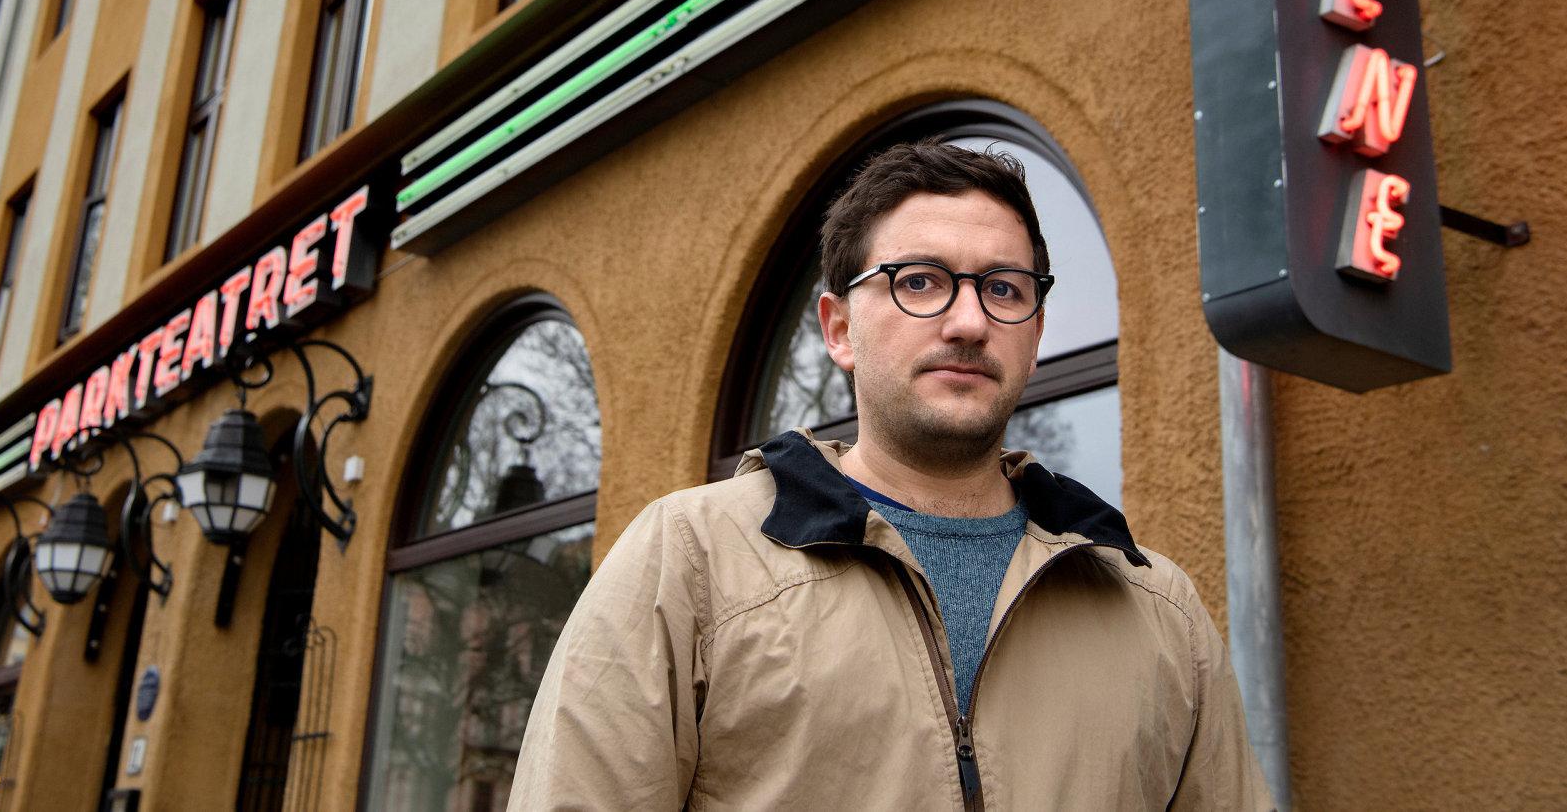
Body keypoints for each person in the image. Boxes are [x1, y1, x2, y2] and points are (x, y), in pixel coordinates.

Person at [508, 140, 1273, 810]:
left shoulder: (1158, 609)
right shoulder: (692, 560)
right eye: (920, 280)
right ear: (839, 328)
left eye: (1004, 288)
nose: (970, 321)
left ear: (1035, 334)